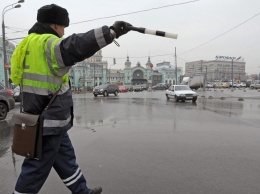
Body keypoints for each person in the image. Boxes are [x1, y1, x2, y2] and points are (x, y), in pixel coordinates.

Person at [10, 4, 132, 194]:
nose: (64, 32)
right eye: (63, 27)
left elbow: (18, 77)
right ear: (55, 25)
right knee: (35, 169)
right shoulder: (48, 43)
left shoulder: (26, 44)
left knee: (66, 159)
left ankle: (82, 191)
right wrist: (111, 32)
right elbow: (77, 44)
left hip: (44, 117)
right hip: (48, 120)